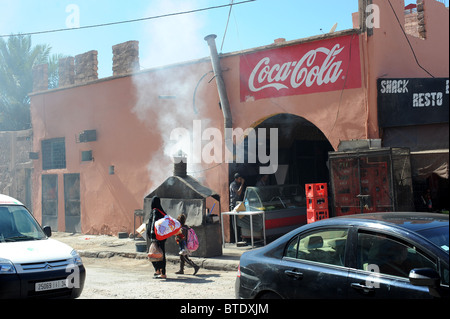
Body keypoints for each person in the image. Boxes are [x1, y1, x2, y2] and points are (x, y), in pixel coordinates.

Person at [146, 196, 167, 279]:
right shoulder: (162, 212)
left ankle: (158, 270)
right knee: (161, 254)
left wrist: (152, 235)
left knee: (153, 253)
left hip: (156, 237)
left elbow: (154, 223)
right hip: (162, 237)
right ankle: (161, 272)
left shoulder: (155, 211)